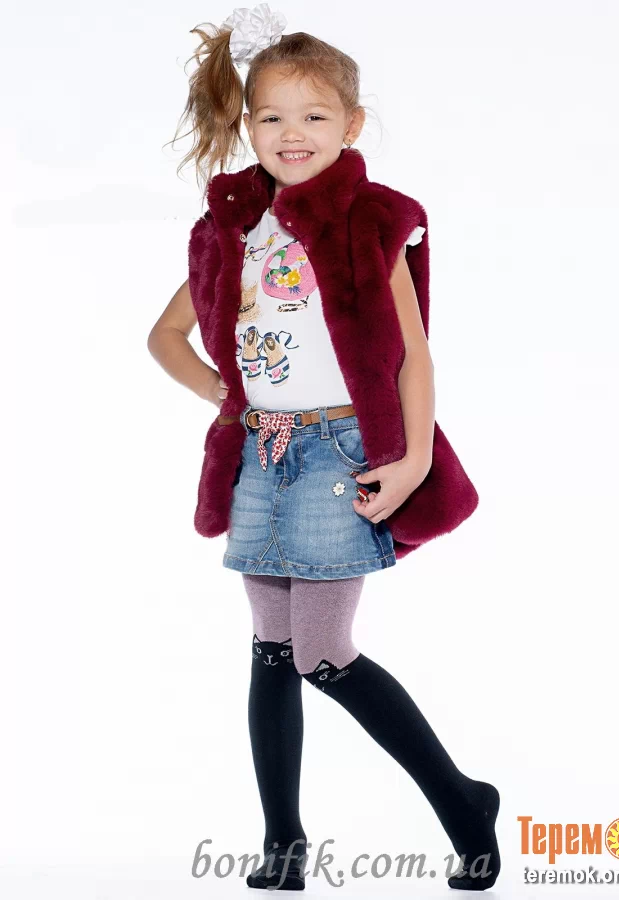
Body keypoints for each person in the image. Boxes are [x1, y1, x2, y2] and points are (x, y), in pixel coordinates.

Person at [148, 4, 500, 892]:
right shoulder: (234, 228)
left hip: (340, 454)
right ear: (246, 124)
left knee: (321, 654)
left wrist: (411, 461)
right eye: (271, 116)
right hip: (260, 457)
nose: (291, 133)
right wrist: (221, 392)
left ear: (351, 123)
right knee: (271, 652)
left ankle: (464, 805)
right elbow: (165, 335)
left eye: (313, 115)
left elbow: (413, 355)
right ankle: (283, 843)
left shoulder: (369, 220)